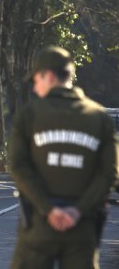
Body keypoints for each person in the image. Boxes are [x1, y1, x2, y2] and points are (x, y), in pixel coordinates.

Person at [9, 46, 118, 269]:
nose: (36, 88)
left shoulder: (29, 114)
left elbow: (19, 167)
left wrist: (49, 209)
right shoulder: (99, 118)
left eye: (36, 80)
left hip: (38, 228)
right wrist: (77, 211)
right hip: (82, 228)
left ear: (48, 76)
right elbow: (109, 174)